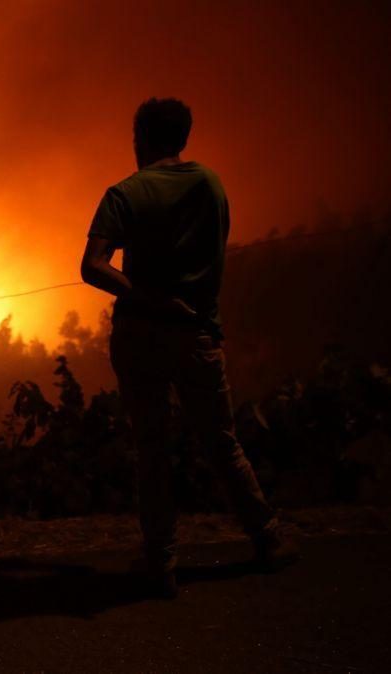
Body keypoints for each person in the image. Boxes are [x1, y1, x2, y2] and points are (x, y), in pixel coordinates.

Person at [80, 98, 299, 598]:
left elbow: (93, 266)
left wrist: (149, 297)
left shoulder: (124, 194)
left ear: (141, 138)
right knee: (222, 442)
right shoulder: (211, 186)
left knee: (152, 449)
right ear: (182, 137)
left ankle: (161, 565)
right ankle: (269, 539)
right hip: (199, 333)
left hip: (140, 335)